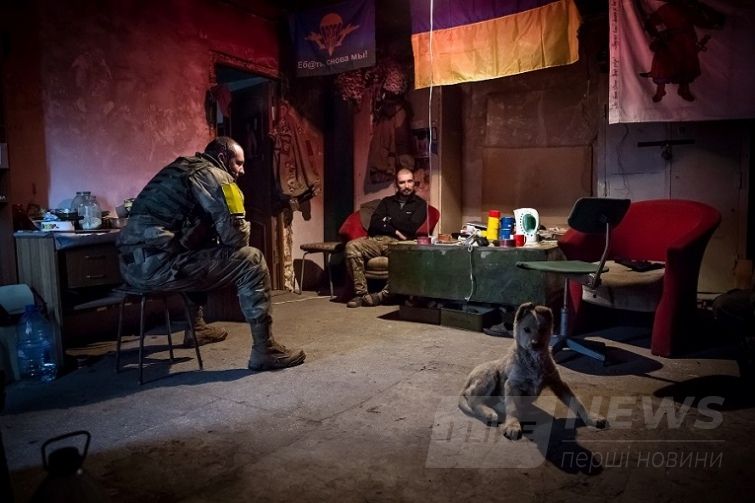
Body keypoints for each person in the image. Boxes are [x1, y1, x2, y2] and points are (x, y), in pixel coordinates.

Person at [116, 137, 305, 370]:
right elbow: (236, 239)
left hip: (131, 269)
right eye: (238, 163)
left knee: (196, 248)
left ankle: (196, 328)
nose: (242, 171)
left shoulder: (180, 168)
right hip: (158, 268)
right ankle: (265, 350)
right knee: (252, 261)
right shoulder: (217, 176)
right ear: (223, 158)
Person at [345, 168, 427, 308]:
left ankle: (381, 296)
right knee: (351, 246)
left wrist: (388, 220)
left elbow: (411, 227)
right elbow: (374, 223)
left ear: (414, 183)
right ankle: (361, 294)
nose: (406, 186)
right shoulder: (386, 202)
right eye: (402, 182)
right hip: (378, 240)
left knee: (407, 257)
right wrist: (395, 230)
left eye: (409, 181)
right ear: (396, 184)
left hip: (400, 243)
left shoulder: (420, 204)